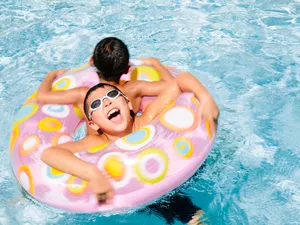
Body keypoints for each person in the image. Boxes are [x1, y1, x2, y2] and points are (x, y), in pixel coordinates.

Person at [36, 37, 218, 135]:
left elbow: (41, 97)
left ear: (92, 61)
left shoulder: (82, 95)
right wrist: (157, 64)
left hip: (101, 147)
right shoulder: (133, 89)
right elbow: (171, 84)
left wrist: (51, 75)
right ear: (127, 68)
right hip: (135, 138)